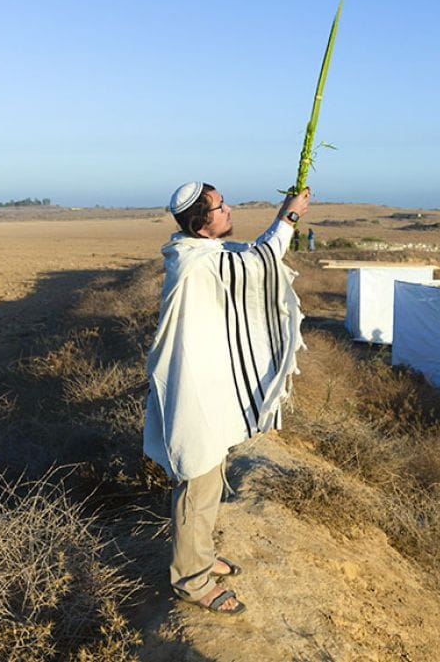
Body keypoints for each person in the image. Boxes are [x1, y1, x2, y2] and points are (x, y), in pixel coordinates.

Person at [143, 181, 310, 615]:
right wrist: (289, 216)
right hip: (192, 393)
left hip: (206, 387)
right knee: (196, 480)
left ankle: (200, 556)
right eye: (220, 207)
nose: (228, 209)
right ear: (201, 224)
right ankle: (192, 580)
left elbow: (247, 259)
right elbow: (261, 262)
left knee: (210, 476)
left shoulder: (202, 254)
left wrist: (284, 218)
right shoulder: (198, 265)